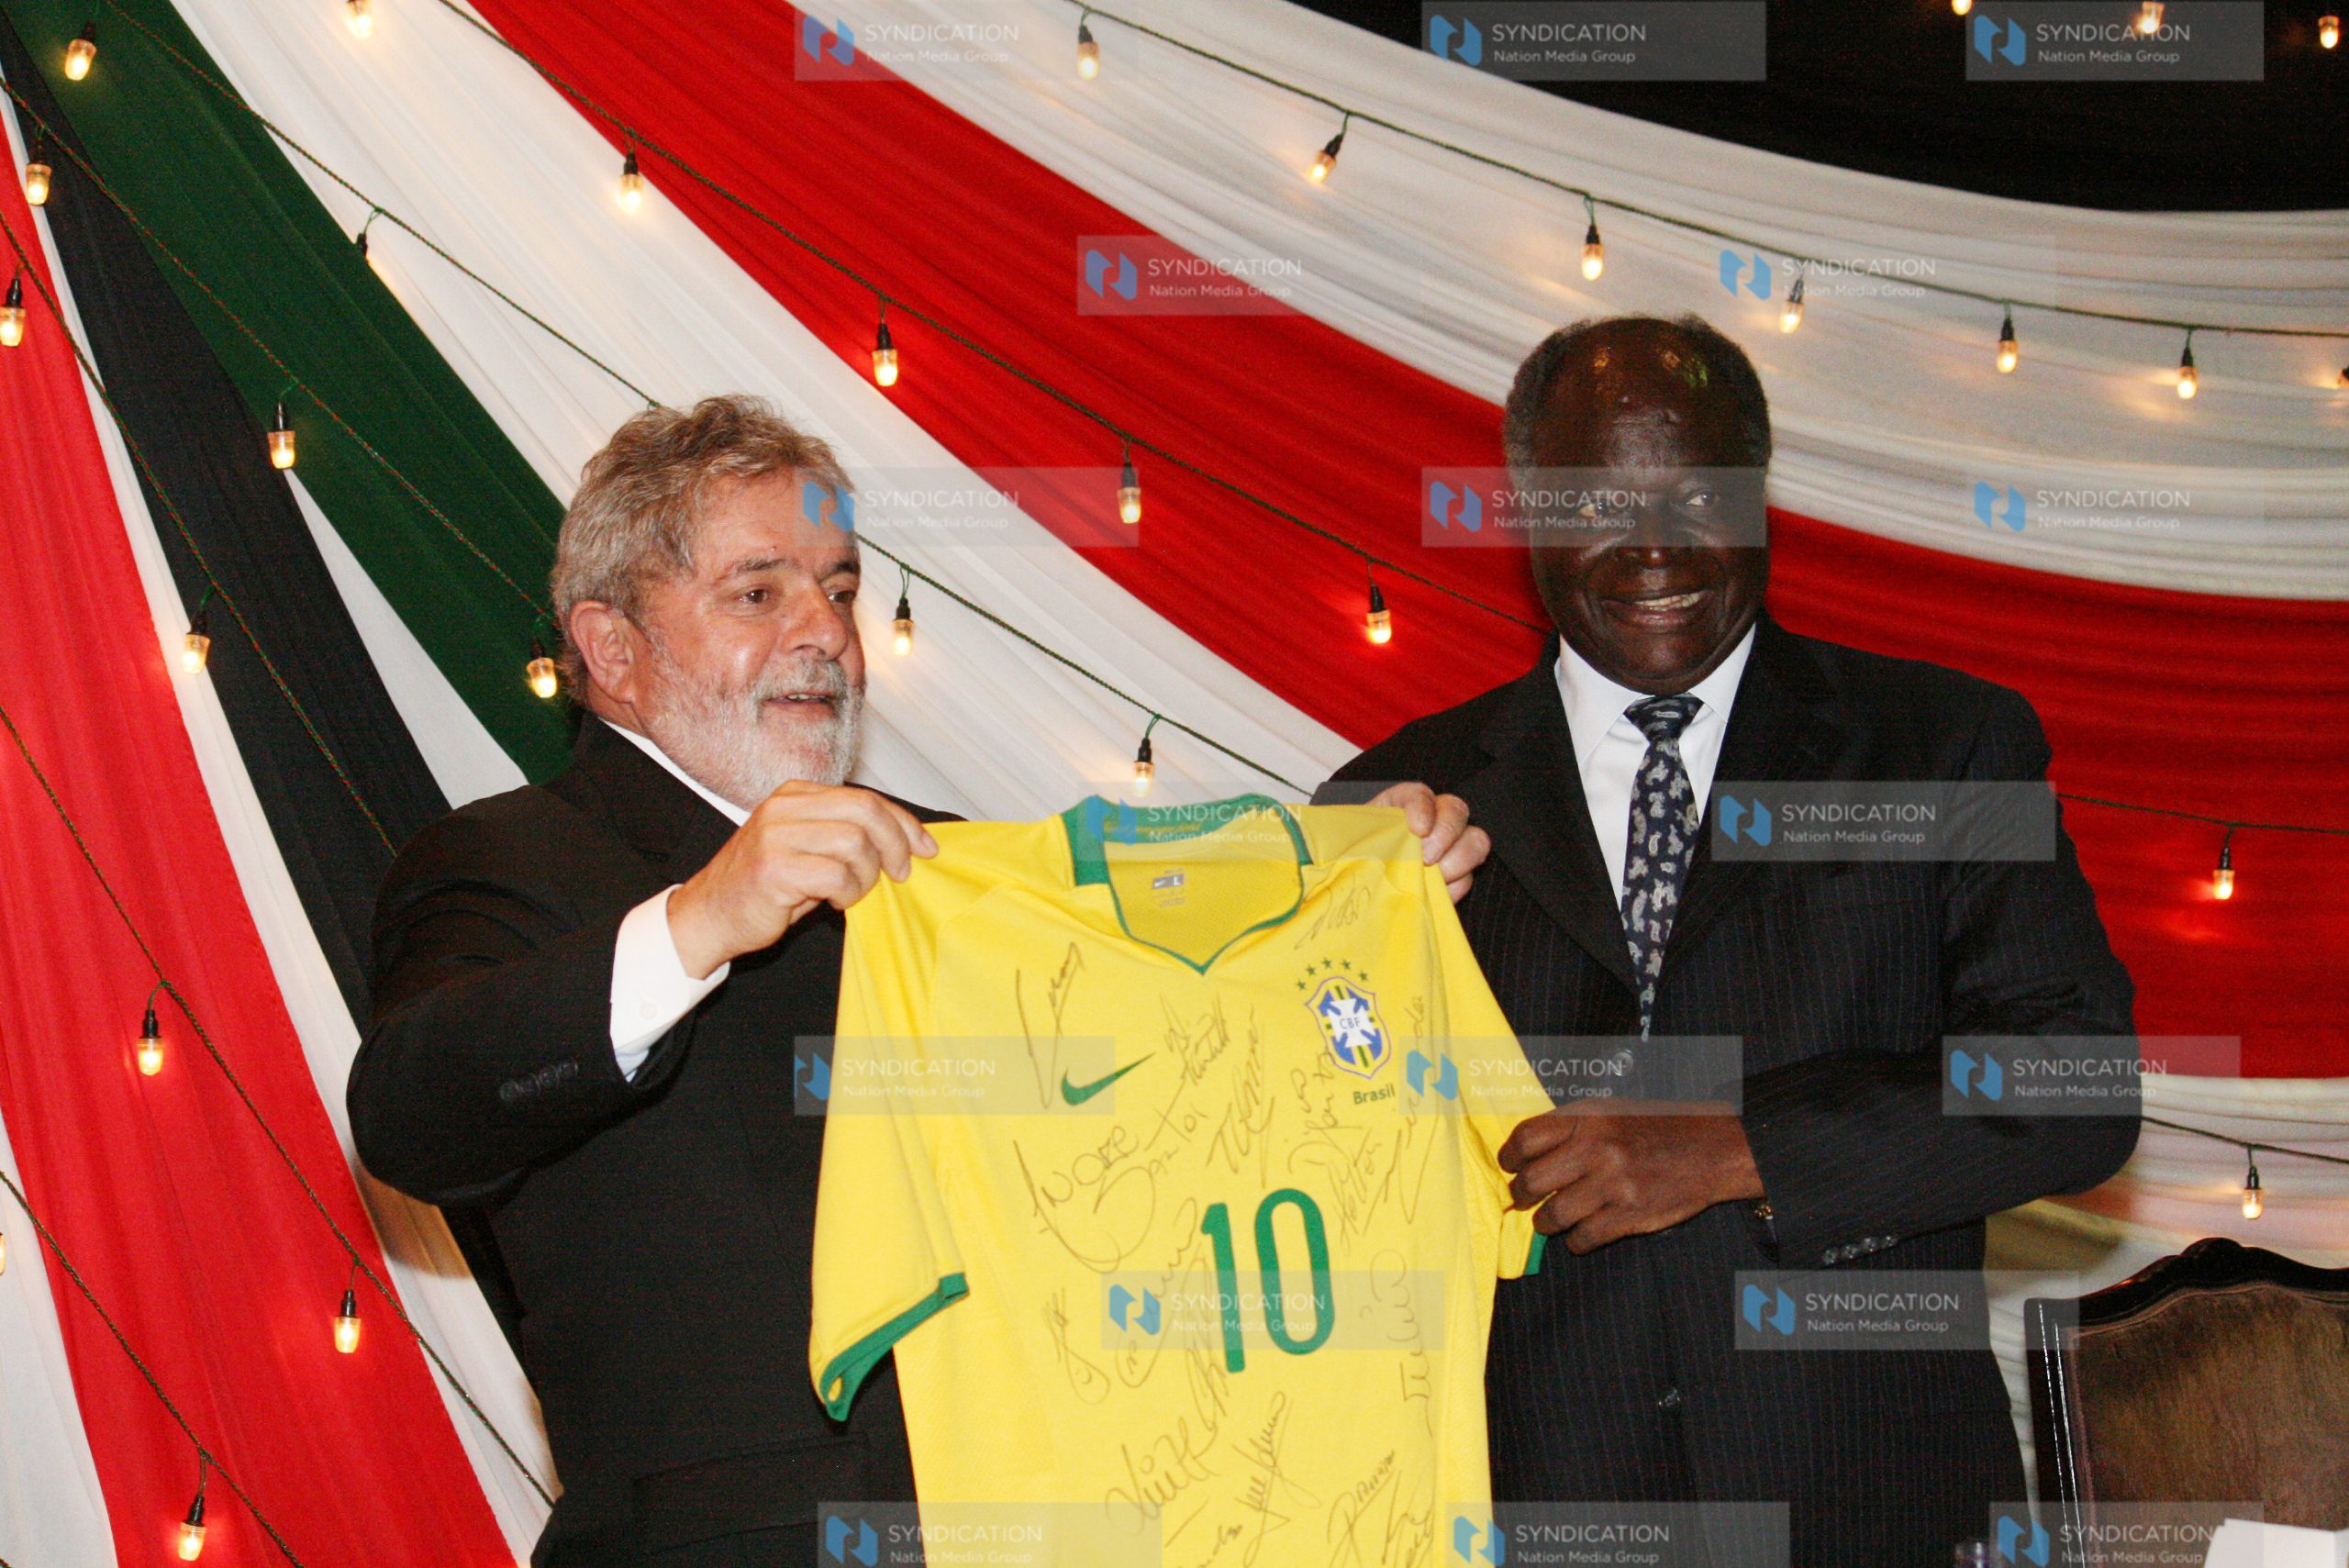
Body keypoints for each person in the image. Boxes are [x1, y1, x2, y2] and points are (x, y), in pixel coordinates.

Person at [350, 395, 1486, 1567]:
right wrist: (699, 920)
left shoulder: (952, 865)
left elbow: (1182, 1069)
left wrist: (1345, 896)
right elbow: (410, 1114)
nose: (824, 632)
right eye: (758, 591)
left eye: (839, 590)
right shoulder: (506, 858)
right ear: (612, 647)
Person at [1316, 317, 2139, 1564]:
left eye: (1698, 490)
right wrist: (1354, 948)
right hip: (1534, 1510)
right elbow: (1322, 1166)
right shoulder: (1394, 804)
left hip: (1875, 1508)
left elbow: (2079, 1085)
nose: (1654, 541)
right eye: (1599, 495)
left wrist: (1744, 1145)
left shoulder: (1942, 742)